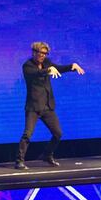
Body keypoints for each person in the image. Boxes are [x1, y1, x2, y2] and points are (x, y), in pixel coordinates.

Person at [15, 41, 85, 170]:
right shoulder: (27, 66)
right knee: (27, 135)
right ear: (34, 52)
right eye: (41, 53)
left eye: (45, 53)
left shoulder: (47, 62)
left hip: (48, 106)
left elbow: (57, 68)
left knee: (58, 133)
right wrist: (48, 70)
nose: (43, 56)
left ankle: (47, 155)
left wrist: (71, 66)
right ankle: (19, 161)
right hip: (34, 107)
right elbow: (36, 73)